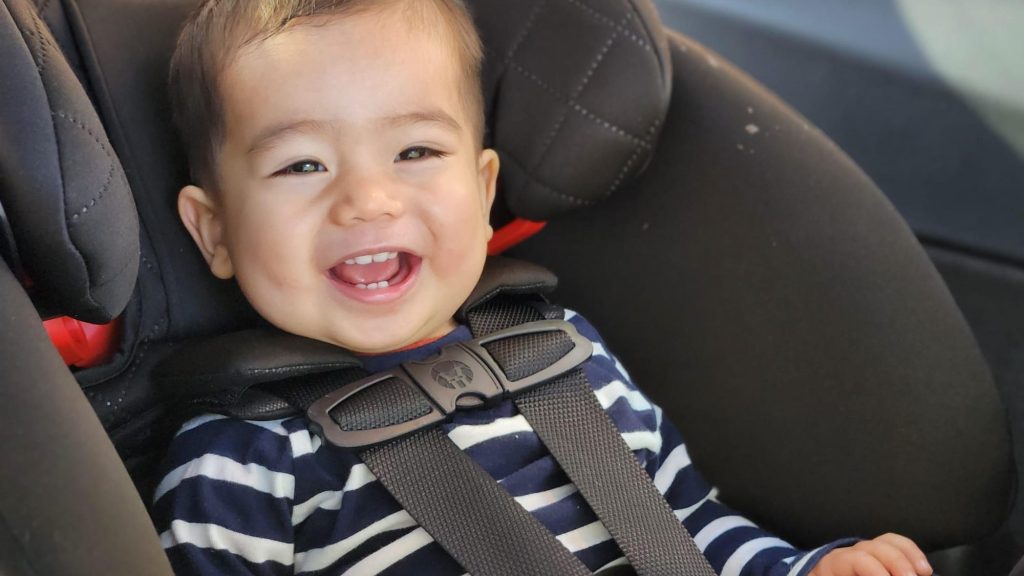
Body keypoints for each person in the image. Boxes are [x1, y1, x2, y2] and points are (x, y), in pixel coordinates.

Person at [153, 1, 935, 574]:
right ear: (214, 231)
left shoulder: (565, 356)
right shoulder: (240, 467)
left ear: (484, 189)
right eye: (303, 165)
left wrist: (805, 571)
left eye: (416, 151)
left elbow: (687, 530)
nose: (369, 200)